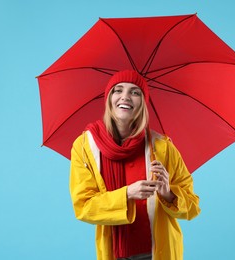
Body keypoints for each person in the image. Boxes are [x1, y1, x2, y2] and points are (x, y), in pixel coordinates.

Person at [69, 70, 201, 260]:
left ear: (143, 103)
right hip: (114, 253)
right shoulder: (84, 147)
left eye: (135, 92)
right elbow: (84, 206)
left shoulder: (162, 147)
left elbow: (193, 207)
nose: (125, 97)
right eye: (118, 90)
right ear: (109, 98)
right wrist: (127, 194)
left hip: (158, 252)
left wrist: (168, 193)